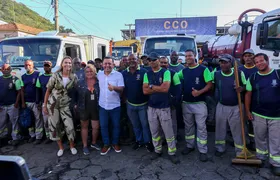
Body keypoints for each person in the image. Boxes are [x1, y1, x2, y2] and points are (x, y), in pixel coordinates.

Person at [245, 53, 280, 176]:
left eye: (261, 61)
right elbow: (248, 95)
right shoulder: (253, 77)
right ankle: (261, 158)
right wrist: (248, 111)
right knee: (260, 138)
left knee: (276, 140)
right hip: (258, 114)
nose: (259, 63)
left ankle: (275, 163)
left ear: (267, 60)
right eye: (257, 62)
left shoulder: (277, 74)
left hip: (276, 115)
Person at [143, 52, 179, 164]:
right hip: (152, 107)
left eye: (154, 59)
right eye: (150, 60)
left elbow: (165, 89)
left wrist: (152, 87)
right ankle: (157, 150)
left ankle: (172, 152)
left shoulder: (166, 72)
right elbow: (145, 91)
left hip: (164, 107)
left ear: (158, 60)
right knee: (154, 132)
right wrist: (157, 87)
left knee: (168, 132)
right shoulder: (146, 73)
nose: (152, 62)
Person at [178, 49, 212, 162]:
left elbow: (209, 84)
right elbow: (174, 78)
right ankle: (190, 146)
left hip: (200, 104)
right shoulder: (184, 71)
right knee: (188, 127)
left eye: (190, 56)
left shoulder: (203, 69)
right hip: (186, 103)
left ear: (195, 56)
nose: (187, 58)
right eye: (186, 56)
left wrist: (199, 92)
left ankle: (203, 150)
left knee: (201, 127)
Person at [43, 56, 78, 157]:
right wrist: (45, 105)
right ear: (62, 64)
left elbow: (75, 91)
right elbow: (48, 90)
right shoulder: (55, 75)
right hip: (53, 105)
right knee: (55, 127)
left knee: (70, 126)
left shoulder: (74, 77)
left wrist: (75, 103)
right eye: (66, 63)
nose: (68, 65)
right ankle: (61, 148)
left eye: (69, 63)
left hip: (65, 104)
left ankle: (72, 146)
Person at [212, 54, 246, 157]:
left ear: (231, 63)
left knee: (237, 130)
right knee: (220, 128)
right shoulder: (216, 74)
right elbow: (211, 85)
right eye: (221, 62)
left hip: (236, 106)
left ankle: (239, 151)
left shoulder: (239, 73)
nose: (223, 64)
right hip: (221, 106)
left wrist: (241, 88)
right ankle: (220, 148)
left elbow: (246, 86)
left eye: (225, 62)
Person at [122, 54, 153, 152]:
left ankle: (147, 142)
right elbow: (123, 88)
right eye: (130, 59)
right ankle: (139, 141)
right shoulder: (124, 73)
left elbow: (149, 87)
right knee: (135, 125)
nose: (131, 61)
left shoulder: (144, 72)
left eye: (133, 59)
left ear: (137, 60)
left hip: (143, 104)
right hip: (130, 105)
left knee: (145, 125)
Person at [97, 57, 124, 155]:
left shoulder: (118, 75)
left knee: (116, 126)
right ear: (102, 65)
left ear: (113, 65)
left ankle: (115, 143)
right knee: (104, 126)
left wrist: (114, 88)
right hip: (103, 105)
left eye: (109, 64)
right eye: (105, 64)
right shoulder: (99, 74)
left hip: (115, 106)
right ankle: (106, 144)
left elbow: (121, 89)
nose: (107, 65)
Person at [74, 64, 100, 155]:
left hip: (95, 108)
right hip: (83, 108)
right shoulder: (80, 82)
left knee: (95, 127)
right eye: (87, 72)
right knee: (84, 127)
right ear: (84, 72)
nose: (89, 73)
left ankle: (93, 142)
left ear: (94, 72)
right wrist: (75, 104)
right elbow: (74, 94)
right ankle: (85, 146)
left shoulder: (98, 81)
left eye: (91, 71)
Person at [239, 49, 258, 149]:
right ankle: (242, 140)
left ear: (253, 57)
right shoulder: (240, 69)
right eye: (245, 56)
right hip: (241, 99)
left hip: (254, 99)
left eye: (250, 56)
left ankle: (252, 141)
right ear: (243, 58)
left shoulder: (257, 69)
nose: (248, 58)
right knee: (241, 121)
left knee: (252, 121)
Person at [21, 60, 43, 144]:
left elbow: (40, 89)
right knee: (28, 119)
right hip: (27, 102)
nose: (28, 66)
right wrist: (23, 102)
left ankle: (38, 137)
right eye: (26, 65)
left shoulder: (38, 74)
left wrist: (39, 101)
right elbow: (22, 90)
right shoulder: (23, 76)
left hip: (36, 102)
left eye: (29, 65)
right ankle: (32, 135)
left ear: (33, 65)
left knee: (38, 119)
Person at [160, 57, 182, 142]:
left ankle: (174, 139)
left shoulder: (173, 73)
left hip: (171, 103)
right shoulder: (155, 73)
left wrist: (175, 100)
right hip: (159, 103)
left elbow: (178, 88)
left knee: (172, 122)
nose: (163, 64)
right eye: (161, 62)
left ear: (168, 64)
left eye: (165, 63)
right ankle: (163, 139)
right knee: (161, 123)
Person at [0, 64, 21, 146]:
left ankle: (15, 138)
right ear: (1, 70)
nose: (5, 70)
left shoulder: (15, 79)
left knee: (14, 122)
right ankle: (3, 138)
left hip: (12, 105)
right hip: (1, 106)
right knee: (1, 123)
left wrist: (16, 103)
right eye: (4, 69)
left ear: (11, 70)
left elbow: (19, 92)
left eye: (7, 69)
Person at [35, 61, 53, 144]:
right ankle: (48, 136)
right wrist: (38, 102)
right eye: (45, 66)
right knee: (45, 121)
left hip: (54, 102)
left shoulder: (55, 76)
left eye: (48, 66)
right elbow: (38, 91)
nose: (46, 67)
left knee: (55, 121)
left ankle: (57, 136)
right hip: (44, 103)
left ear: (51, 67)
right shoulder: (40, 78)